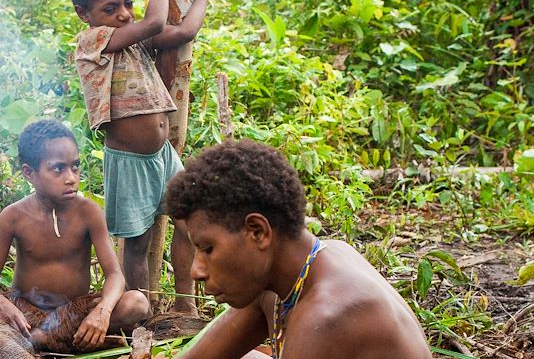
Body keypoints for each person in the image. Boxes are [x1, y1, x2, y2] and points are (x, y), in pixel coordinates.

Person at [164, 140, 432, 359]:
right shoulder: (289, 277)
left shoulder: (326, 316)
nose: (196, 270)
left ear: (258, 231)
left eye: (208, 249)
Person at [68, 0, 210, 313]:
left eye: (128, 3)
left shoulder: (131, 40)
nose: (123, 14)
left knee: (189, 219)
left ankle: (185, 305)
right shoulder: (91, 41)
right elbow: (154, 22)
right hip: (129, 161)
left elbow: (183, 32)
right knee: (137, 244)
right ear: (84, 15)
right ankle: (141, 314)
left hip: (163, 155)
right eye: (110, 8)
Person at [0, 119, 149, 354]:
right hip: (25, 313)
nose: (71, 178)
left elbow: (115, 275)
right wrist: (2, 303)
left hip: (76, 312)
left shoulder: (88, 212)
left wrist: (102, 312)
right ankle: (60, 340)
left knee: (136, 303)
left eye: (75, 167)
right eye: (58, 169)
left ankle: (48, 339)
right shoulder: (13, 216)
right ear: (29, 173)